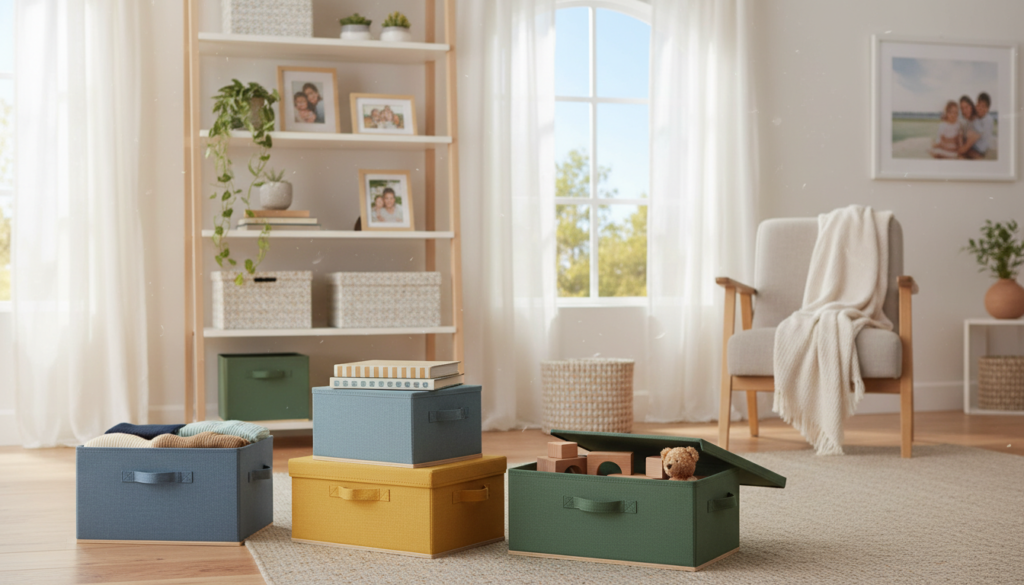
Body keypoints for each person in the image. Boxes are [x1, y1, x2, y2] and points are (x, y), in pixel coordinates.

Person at [961, 92, 995, 159]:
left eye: (983, 106)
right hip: (974, 146)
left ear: (987, 109)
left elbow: (975, 134)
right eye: (978, 105)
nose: (980, 108)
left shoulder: (988, 120)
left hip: (979, 149)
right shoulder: (977, 117)